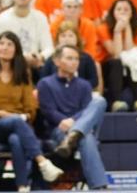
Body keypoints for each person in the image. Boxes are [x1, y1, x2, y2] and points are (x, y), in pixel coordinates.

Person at [0, 31, 63, 190]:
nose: (5, 47)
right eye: (1, 43)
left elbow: (31, 108)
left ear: (16, 49)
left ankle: (22, 187)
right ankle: (42, 162)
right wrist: (1, 114)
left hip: (19, 126)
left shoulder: (22, 75)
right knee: (16, 121)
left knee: (16, 140)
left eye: (10, 44)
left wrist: (20, 117)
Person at [37, 44, 108, 189]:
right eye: (69, 58)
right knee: (87, 137)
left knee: (99, 101)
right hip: (58, 130)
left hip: (79, 129)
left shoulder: (85, 85)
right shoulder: (45, 83)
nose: (74, 62)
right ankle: (100, 188)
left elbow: (87, 111)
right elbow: (48, 111)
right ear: (57, 61)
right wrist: (65, 122)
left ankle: (74, 135)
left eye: (76, 59)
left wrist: (73, 123)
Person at [0, 0, 53, 71]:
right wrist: (23, 58)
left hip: (36, 64)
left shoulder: (40, 17)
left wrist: (40, 57)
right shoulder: (3, 18)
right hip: (11, 63)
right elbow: (0, 47)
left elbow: (48, 47)